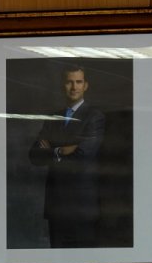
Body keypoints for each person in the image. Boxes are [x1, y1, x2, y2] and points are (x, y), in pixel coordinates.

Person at [28, 65, 106, 248]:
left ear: (85, 85)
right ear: (62, 85)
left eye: (78, 82)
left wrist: (51, 150)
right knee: (57, 260)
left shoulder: (95, 117)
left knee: (83, 261)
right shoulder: (53, 117)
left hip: (82, 207)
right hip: (56, 205)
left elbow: (83, 156)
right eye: (69, 82)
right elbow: (34, 155)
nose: (74, 87)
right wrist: (61, 151)